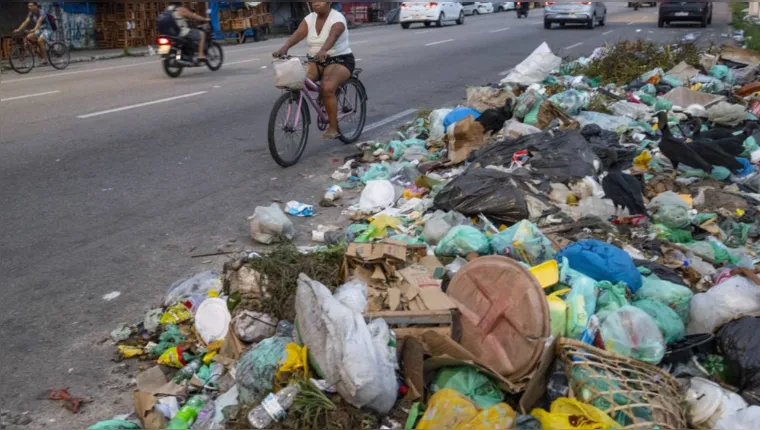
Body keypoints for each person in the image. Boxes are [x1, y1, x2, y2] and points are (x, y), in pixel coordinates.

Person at [274, 2, 355, 140]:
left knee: (327, 87)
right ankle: (322, 97)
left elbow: (333, 36)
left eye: (320, 0)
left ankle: (333, 128)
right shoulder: (309, 19)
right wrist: (284, 48)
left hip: (339, 60)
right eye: (313, 1)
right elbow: (298, 34)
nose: (315, 3)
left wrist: (323, 50)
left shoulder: (337, 19)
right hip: (316, 60)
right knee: (297, 81)